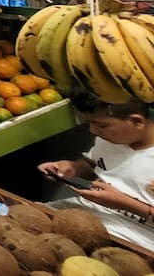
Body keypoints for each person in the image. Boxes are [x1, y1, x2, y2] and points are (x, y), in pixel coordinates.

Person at [37, 91, 154, 248]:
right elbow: (95, 164)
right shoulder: (111, 139)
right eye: (89, 123)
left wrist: (123, 203)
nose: (93, 131)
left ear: (137, 121)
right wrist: (72, 168)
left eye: (102, 125)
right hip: (84, 212)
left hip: (138, 235)